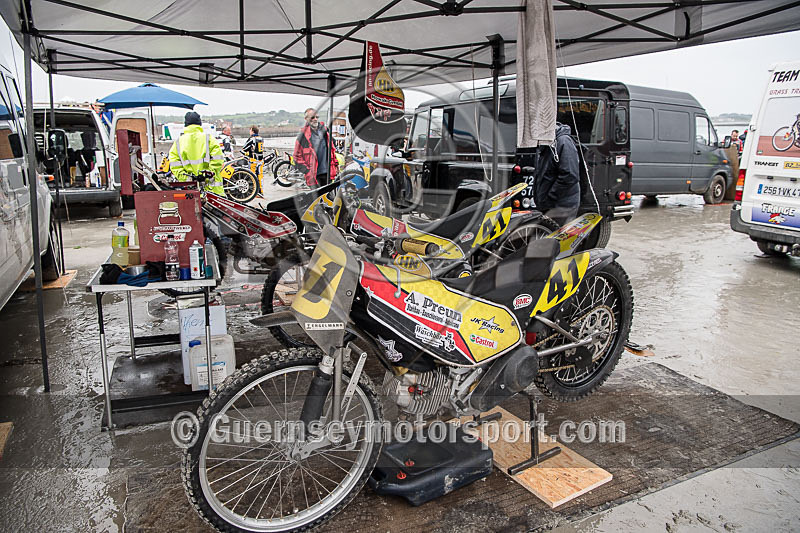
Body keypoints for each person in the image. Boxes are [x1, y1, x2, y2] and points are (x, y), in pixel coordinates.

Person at [532, 123, 580, 225]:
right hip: (550, 204)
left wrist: (551, 196)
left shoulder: (563, 141)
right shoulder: (545, 143)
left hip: (561, 204)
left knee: (558, 233)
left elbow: (570, 175)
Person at [168, 111, 224, 194]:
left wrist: (188, 179)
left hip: (190, 192)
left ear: (186, 124)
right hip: (212, 191)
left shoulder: (178, 142)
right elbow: (218, 160)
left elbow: (174, 165)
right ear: (200, 123)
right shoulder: (209, 139)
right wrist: (207, 174)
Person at [293, 108, 338, 187]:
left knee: (329, 194)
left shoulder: (325, 131)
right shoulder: (302, 136)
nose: (315, 119)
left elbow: (332, 150)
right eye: (312, 117)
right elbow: (296, 157)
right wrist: (307, 171)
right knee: (317, 195)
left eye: (317, 117)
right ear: (306, 119)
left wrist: (336, 164)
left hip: (328, 173)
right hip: (313, 177)